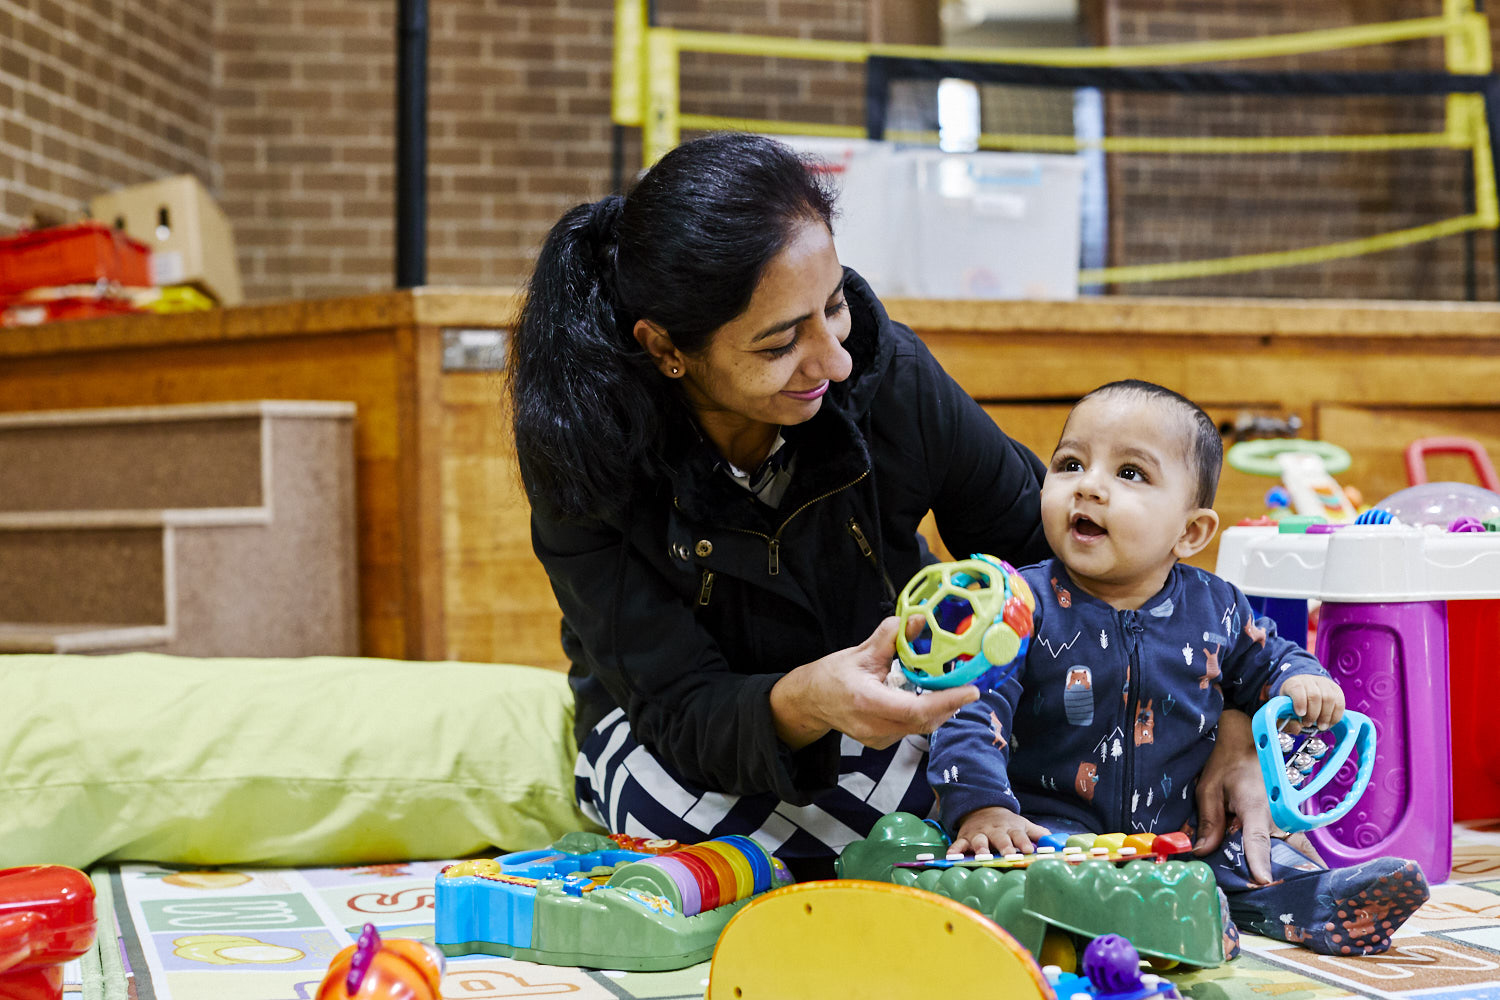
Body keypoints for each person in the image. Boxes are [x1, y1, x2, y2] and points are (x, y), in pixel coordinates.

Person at [509, 131, 1280, 875]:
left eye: (834, 305)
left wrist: (1224, 728)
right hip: (692, 727)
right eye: (781, 344)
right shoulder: (588, 455)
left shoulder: (888, 375)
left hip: (889, 701)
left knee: (983, 776)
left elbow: (1046, 548)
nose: (834, 359)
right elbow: (680, 708)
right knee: (677, 821)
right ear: (668, 349)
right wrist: (804, 701)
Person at [928, 379, 1429, 955]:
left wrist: (1301, 679)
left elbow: (1269, 656)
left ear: (1190, 532)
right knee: (1040, 877)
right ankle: (1172, 912)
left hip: (1190, 830)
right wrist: (984, 808)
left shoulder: (1216, 605)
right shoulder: (1021, 606)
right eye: (1070, 464)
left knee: (1264, 854)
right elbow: (968, 708)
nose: (1088, 486)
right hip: (1055, 831)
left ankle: (1316, 901)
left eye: (1130, 473)